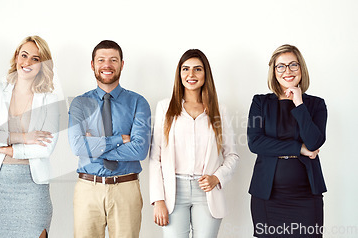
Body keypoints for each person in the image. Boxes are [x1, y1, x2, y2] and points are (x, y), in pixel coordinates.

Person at [0, 35, 59, 238]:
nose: (27, 62)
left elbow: (46, 147)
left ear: (42, 64)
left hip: (33, 187)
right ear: (16, 57)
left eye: (35, 59)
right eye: (24, 55)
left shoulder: (50, 100)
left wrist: (8, 147)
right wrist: (23, 137)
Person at [149, 49, 239, 238]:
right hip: (173, 192)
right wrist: (158, 199)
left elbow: (232, 155)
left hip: (206, 193)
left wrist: (217, 177)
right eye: (185, 69)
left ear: (205, 74)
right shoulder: (165, 107)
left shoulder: (218, 110)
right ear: (179, 74)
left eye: (197, 69)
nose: (191, 74)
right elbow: (155, 158)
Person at [68, 40, 151, 238]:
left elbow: (139, 150)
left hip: (126, 188)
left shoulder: (138, 102)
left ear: (122, 64)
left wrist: (94, 144)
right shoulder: (80, 103)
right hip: (88, 188)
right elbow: (78, 147)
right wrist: (120, 139)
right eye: (101, 60)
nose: (107, 65)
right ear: (92, 65)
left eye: (113, 60)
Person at [247, 44, 327, 238]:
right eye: (280, 66)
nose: (287, 71)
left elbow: (314, 141)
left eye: (293, 65)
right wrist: (298, 147)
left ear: (301, 69)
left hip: (306, 197)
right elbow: (255, 142)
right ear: (274, 72)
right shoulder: (260, 103)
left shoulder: (316, 104)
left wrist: (299, 103)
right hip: (267, 197)